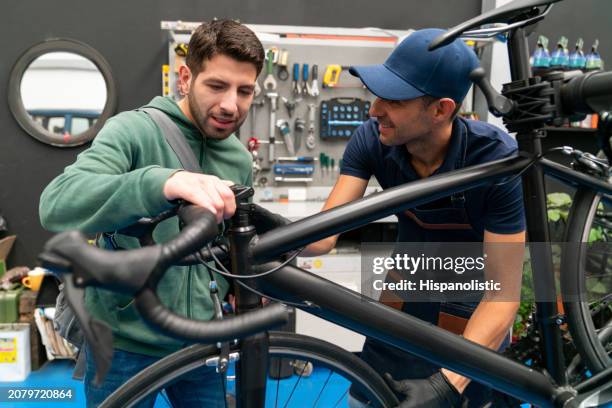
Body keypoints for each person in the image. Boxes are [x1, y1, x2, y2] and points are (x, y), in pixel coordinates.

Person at [39, 20, 263, 407]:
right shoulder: (132, 131)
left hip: (203, 343)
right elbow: (57, 203)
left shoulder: (238, 158)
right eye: (216, 86)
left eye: (244, 91)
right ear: (185, 78)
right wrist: (162, 182)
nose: (231, 104)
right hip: (124, 343)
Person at [303, 28, 526, 407]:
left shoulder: (494, 160)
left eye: (393, 99)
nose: (374, 110)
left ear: (441, 109)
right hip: (405, 291)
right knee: (372, 396)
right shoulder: (372, 138)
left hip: (471, 307)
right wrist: (259, 231)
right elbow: (322, 237)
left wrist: (447, 385)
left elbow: (503, 296)